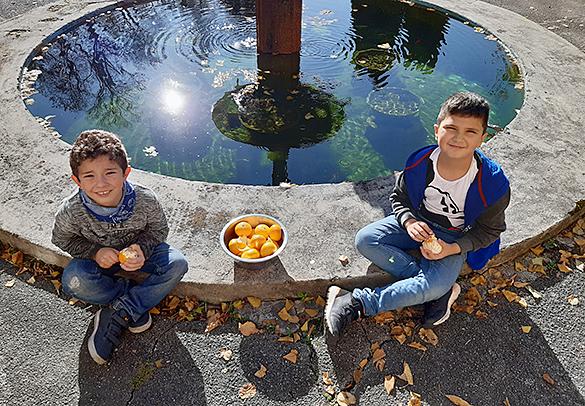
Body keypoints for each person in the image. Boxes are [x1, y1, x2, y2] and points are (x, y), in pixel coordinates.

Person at [325, 92, 510, 336]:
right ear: (437, 130)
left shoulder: (492, 184)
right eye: (451, 128)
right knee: (365, 240)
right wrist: (409, 220)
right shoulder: (419, 163)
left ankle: (358, 302)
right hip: (419, 223)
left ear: (482, 138)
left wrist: (451, 249)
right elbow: (398, 199)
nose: (458, 138)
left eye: (470, 132)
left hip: (454, 238)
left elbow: (489, 231)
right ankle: (437, 289)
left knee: (433, 282)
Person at [52, 129, 188, 364]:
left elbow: (158, 230)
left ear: (126, 173)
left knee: (177, 264)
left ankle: (120, 310)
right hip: (99, 262)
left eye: (110, 173)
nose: (101, 184)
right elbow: (62, 239)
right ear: (77, 180)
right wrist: (95, 252)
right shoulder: (71, 210)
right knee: (74, 279)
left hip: (140, 254)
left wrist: (142, 249)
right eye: (89, 176)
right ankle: (127, 301)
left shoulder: (145, 199)